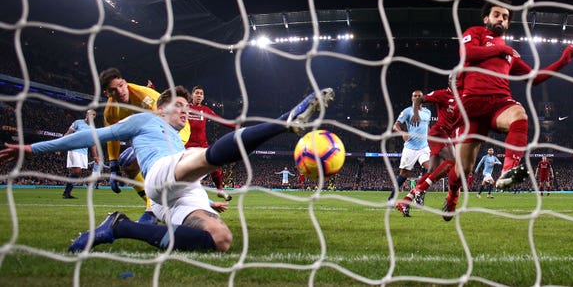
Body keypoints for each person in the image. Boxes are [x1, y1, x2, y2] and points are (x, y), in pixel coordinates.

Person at [0, 86, 334, 253]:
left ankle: (119, 226)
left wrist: (207, 197)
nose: (185, 112)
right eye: (179, 107)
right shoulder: (144, 121)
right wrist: (30, 148)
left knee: (221, 240)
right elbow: (91, 137)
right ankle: (285, 123)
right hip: (160, 175)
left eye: (188, 108)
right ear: (161, 108)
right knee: (204, 157)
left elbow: (186, 172)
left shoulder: (178, 137)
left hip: (175, 195)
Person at [442, 0, 573, 221]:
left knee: (519, 115)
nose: (501, 19)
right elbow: (468, 54)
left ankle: (508, 170)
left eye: (505, 17)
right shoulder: (475, 33)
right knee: (464, 169)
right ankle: (452, 196)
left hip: (499, 104)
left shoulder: (509, 54)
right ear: (486, 18)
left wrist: (563, 61)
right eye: (497, 14)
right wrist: (498, 50)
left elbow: (534, 78)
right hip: (471, 108)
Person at [100, 68, 191, 224]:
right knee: (127, 163)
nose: (120, 91)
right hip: (151, 135)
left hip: (176, 130)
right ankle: (157, 207)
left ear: (125, 82)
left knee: (146, 163)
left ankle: (153, 211)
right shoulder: (111, 111)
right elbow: (113, 136)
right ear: (107, 93)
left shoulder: (144, 97)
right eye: (114, 90)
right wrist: (113, 165)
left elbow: (166, 122)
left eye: (121, 85)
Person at [396, 78, 460, 216]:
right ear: (449, 82)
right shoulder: (442, 94)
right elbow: (419, 100)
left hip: (447, 135)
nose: (457, 81)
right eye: (454, 79)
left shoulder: (463, 97)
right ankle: (421, 189)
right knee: (453, 161)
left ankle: (406, 201)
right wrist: (416, 112)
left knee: (432, 171)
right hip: (439, 133)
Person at [186, 85, 237, 201]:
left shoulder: (205, 110)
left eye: (201, 94)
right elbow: (165, 105)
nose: (199, 95)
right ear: (192, 95)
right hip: (186, 146)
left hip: (202, 145)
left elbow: (220, 120)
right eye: (197, 93)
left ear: (203, 97)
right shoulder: (185, 108)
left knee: (215, 165)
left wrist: (236, 127)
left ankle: (220, 190)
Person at [388, 90, 431, 202]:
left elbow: (427, 128)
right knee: (404, 174)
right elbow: (395, 125)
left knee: (431, 169)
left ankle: (419, 195)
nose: (417, 97)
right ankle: (391, 199)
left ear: (423, 98)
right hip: (410, 148)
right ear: (412, 98)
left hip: (424, 147)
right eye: (414, 96)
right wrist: (402, 133)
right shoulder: (407, 111)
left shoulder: (427, 112)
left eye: (419, 96)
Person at [62, 109, 99, 199]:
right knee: (77, 171)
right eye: (89, 113)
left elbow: (92, 144)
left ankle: (67, 192)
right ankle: (66, 193)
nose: (90, 115)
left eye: (93, 114)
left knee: (78, 173)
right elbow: (67, 134)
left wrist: (95, 156)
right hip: (74, 149)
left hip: (84, 152)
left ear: (94, 117)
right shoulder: (78, 123)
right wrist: (59, 145)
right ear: (86, 114)